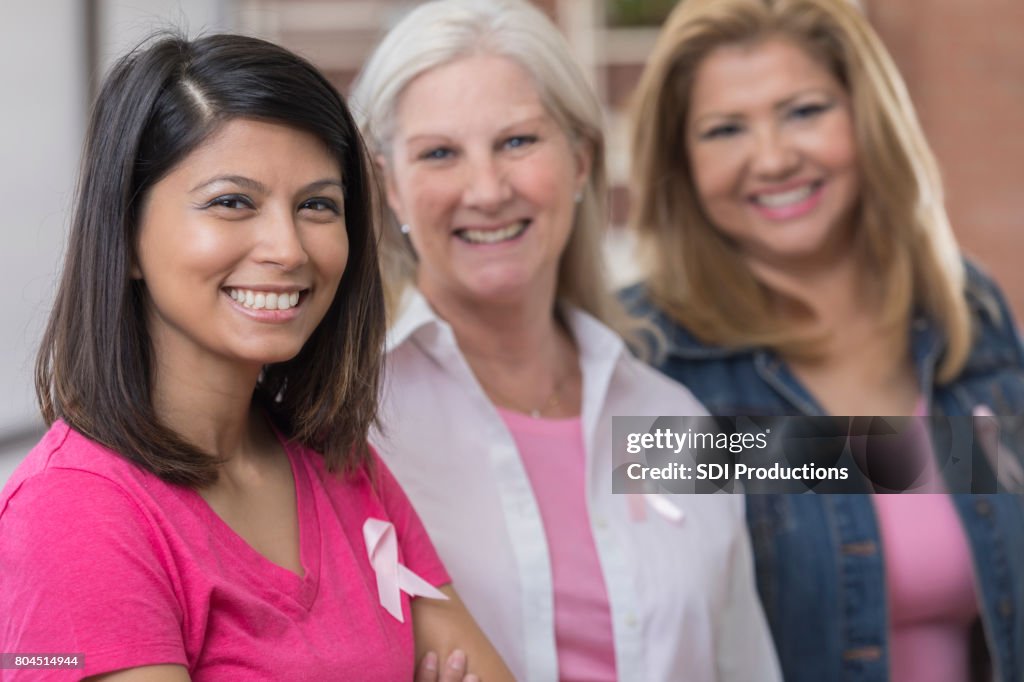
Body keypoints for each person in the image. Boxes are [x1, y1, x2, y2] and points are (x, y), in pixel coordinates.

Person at [0, 33, 513, 682]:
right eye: (232, 202)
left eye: (317, 206)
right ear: (126, 237)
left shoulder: (342, 462)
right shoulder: (71, 513)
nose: (288, 248)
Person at [349, 1, 782, 680]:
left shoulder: (668, 417)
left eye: (518, 141)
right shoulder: (349, 420)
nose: (487, 190)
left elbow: (743, 664)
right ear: (391, 189)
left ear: (581, 160)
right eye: (439, 154)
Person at [622, 0, 1024, 680]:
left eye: (805, 111)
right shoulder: (647, 353)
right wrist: (951, 455)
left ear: (868, 118)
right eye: (724, 130)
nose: (773, 158)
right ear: (680, 163)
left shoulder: (965, 310)